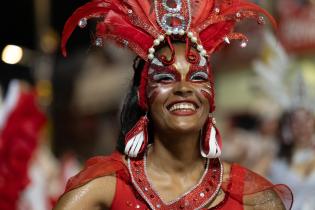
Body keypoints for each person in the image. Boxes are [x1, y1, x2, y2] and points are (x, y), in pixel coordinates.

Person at [54, 0, 293, 209]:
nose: (184, 88)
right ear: (143, 95)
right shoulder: (105, 187)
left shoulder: (253, 198)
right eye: (165, 78)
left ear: (211, 97)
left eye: (198, 77)